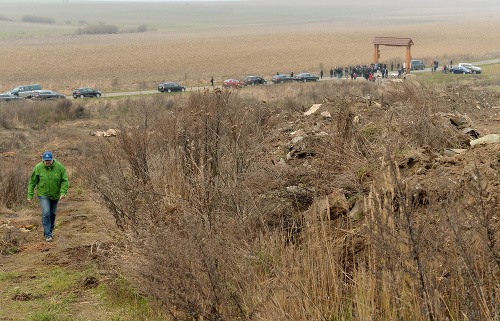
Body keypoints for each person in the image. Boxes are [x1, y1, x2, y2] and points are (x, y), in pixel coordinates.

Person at [27, 151, 69, 242]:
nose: (47, 162)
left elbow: (65, 180)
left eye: (49, 160)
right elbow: (32, 182)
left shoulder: (59, 167)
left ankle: (50, 230)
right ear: (43, 160)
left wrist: (63, 192)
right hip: (43, 194)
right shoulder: (38, 167)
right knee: (46, 213)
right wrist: (30, 195)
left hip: (55, 194)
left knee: (52, 213)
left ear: (52, 159)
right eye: (46, 161)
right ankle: (48, 235)